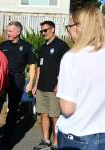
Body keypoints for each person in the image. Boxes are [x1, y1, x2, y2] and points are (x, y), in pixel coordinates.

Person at [56, 6, 105, 150]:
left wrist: (61, 92)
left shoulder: (71, 57)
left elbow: (67, 109)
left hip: (78, 134)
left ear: (79, 27)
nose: (69, 30)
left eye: (69, 26)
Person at [32, 20, 69, 150]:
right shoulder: (42, 48)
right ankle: (46, 140)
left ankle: (55, 143)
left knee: (55, 116)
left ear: (53, 29)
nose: (43, 33)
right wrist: (36, 85)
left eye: (45, 30)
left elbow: (66, 68)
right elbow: (39, 68)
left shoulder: (62, 46)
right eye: (41, 31)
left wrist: (60, 84)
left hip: (54, 89)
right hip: (42, 88)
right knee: (43, 114)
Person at [0, 21, 36, 144]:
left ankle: (8, 136)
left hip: (17, 79)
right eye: (7, 30)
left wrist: (30, 82)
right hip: (3, 78)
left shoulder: (27, 46)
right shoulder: (2, 45)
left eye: (10, 31)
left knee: (13, 108)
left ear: (18, 32)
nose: (7, 33)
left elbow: (32, 65)